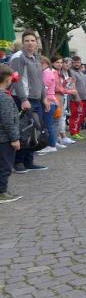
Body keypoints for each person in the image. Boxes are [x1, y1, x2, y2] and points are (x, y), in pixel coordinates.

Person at [9, 30, 50, 173]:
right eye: (27, 40)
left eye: (32, 40)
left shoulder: (36, 58)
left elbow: (40, 80)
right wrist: (23, 99)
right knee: (24, 130)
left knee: (35, 131)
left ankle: (29, 161)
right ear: (23, 43)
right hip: (23, 99)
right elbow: (16, 80)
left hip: (36, 99)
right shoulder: (18, 57)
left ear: (36, 43)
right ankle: (18, 162)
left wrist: (44, 97)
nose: (30, 43)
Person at [0, 65, 22, 203]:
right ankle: (1, 192)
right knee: (5, 166)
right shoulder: (4, 98)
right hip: (4, 138)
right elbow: (8, 120)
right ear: (8, 79)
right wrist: (15, 138)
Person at [38, 56, 60, 155]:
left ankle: (51, 145)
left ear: (46, 64)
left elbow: (44, 87)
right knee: (49, 124)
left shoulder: (46, 72)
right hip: (51, 100)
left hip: (48, 101)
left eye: (41, 63)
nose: (39, 65)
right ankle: (52, 144)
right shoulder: (49, 72)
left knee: (48, 124)